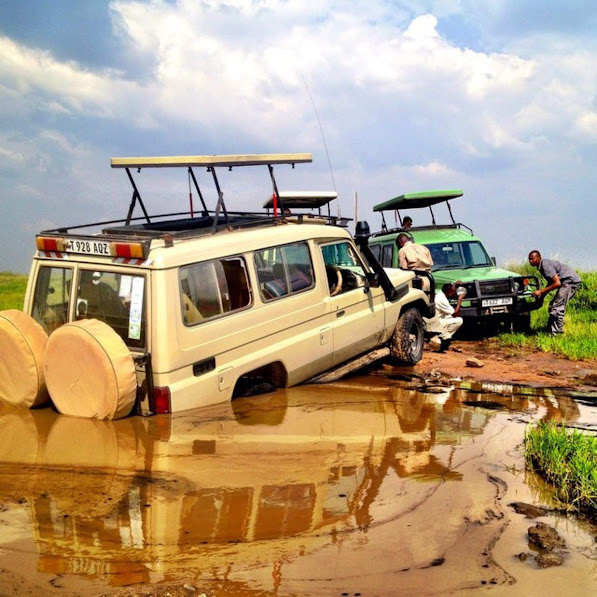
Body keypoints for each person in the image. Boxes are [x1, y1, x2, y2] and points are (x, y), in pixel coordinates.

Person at [528, 250, 581, 335]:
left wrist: (540, 291)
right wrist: (542, 296)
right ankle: (549, 330)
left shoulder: (545, 265)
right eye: (529, 259)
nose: (530, 261)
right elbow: (551, 282)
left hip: (569, 281)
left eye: (532, 259)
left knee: (557, 307)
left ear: (539, 258)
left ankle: (557, 333)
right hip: (566, 281)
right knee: (552, 306)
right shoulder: (541, 266)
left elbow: (557, 283)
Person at [425, 283, 464, 351]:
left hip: (436, 319)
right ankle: (441, 337)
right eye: (453, 291)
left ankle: (442, 335)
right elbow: (455, 314)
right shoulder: (442, 299)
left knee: (451, 317)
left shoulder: (440, 294)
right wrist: (459, 300)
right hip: (436, 322)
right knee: (459, 320)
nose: (454, 293)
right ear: (449, 292)